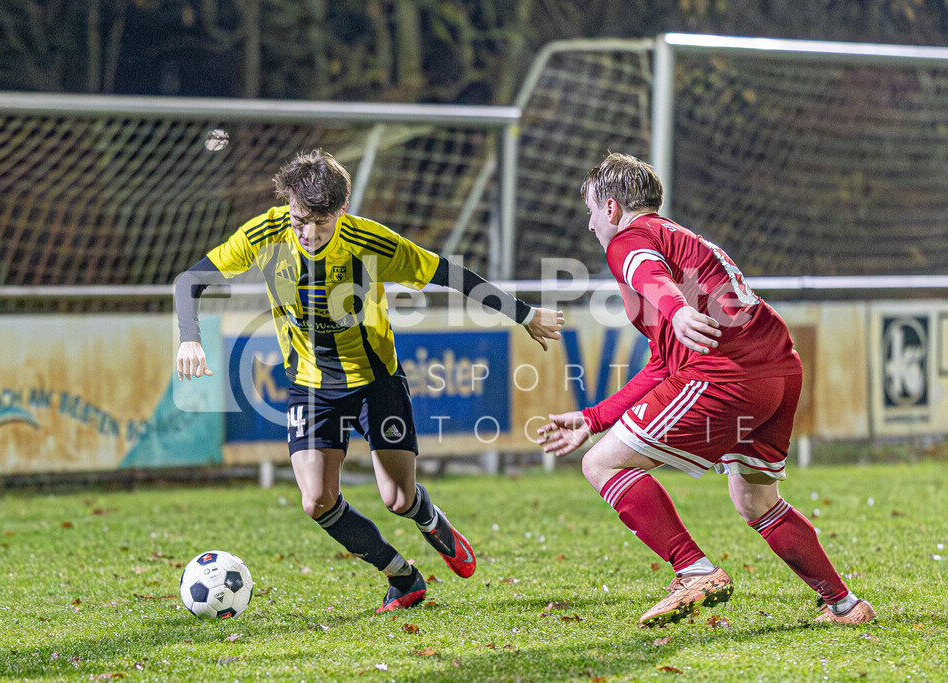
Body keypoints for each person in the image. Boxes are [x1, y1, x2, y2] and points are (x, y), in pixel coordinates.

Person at [174, 149, 564, 612]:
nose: (309, 233)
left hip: (375, 381)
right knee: (316, 499)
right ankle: (402, 576)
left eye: (321, 222)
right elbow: (189, 281)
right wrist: (189, 338)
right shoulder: (266, 232)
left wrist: (523, 314)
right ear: (289, 207)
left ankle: (428, 517)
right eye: (300, 221)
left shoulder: (371, 242)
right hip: (311, 385)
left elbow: (448, 274)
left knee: (397, 499)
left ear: (343, 208)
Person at [537, 152, 874, 627]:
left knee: (601, 463)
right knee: (755, 499)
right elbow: (663, 365)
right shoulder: (681, 240)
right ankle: (844, 604)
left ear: (611, 208)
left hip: (729, 375)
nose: (592, 226)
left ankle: (693, 570)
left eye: (592, 212)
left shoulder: (629, 239)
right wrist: (594, 418)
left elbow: (643, 271)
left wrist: (674, 310)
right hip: (779, 370)